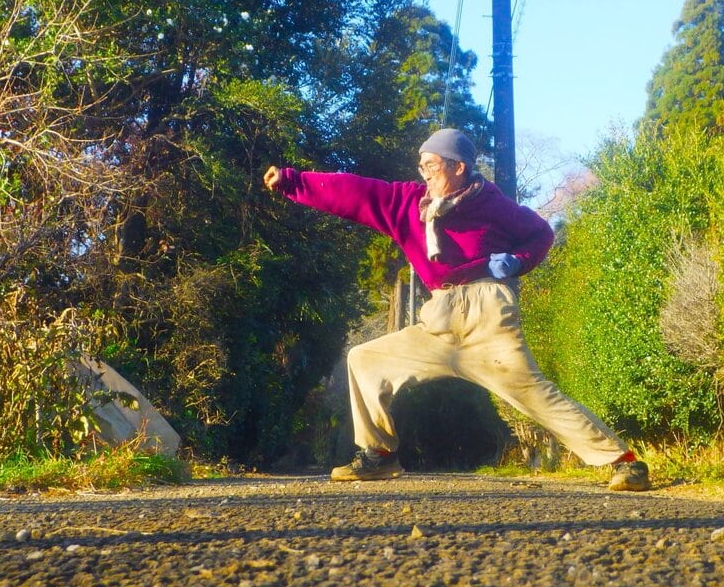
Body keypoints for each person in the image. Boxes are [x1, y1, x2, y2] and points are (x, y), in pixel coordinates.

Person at [262, 128, 651, 492]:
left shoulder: (492, 204)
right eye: (421, 166)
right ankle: (379, 455)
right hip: (440, 317)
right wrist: (294, 182)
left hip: (487, 313)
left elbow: (540, 234)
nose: (424, 173)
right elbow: (357, 192)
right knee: (365, 359)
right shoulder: (408, 204)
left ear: (458, 167)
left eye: (432, 165)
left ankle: (624, 461)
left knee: (532, 392)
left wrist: (516, 261)